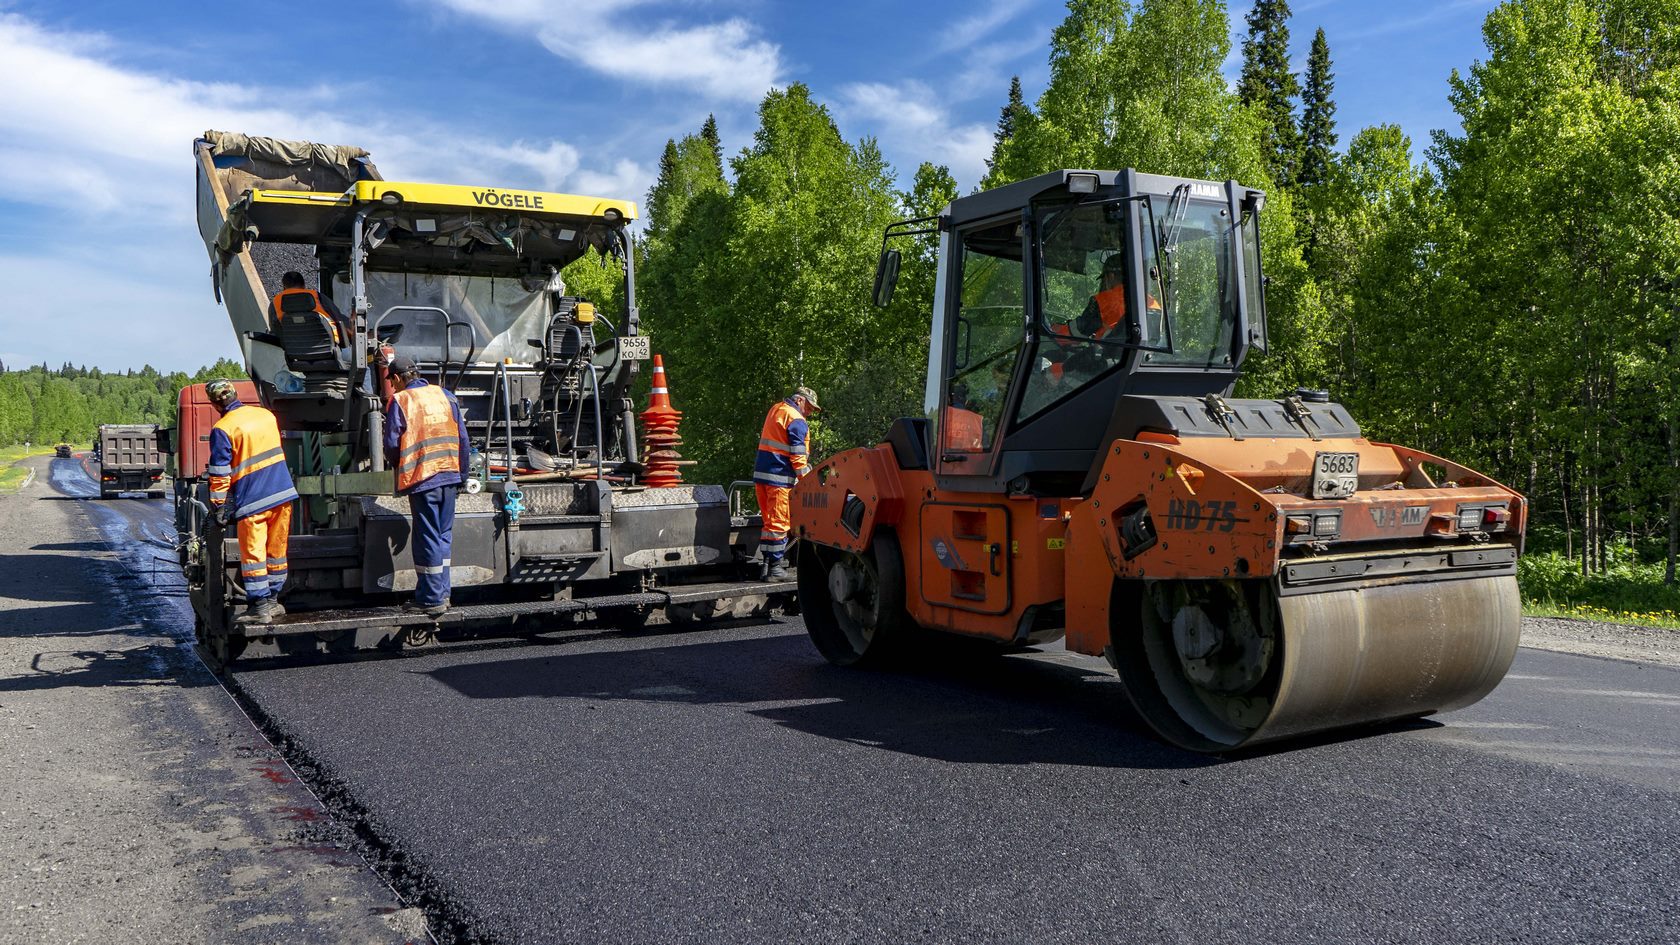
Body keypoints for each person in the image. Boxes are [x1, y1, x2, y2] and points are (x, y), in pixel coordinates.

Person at [383, 354, 470, 617]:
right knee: (443, 536)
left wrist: (398, 465)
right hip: (450, 474)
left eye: (392, 381)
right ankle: (442, 593)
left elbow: (391, 445)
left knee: (428, 537)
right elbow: (463, 439)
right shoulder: (446, 395)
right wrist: (462, 475)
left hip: (424, 478)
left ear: (397, 378)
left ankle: (431, 599)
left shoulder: (401, 400)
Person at [205, 379, 298, 626]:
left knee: (254, 555)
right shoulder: (266, 416)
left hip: (254, 501)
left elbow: (219, 472)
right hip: (282, 494)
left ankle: (259, 607)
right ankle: (274, 601)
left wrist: (219, 505)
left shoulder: (223, 428)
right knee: (276, 552)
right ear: (235, 395)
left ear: (215, 403)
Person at [753, 386, 820, 582]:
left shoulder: (776, 409)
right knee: (779, 524)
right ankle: (775, 569)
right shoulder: (796, 419)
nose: (809, 412)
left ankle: (766, 567)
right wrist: (809, 482)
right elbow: (798, 458)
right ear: (800, 400)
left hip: (763, 477)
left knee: (769, 524)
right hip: (779, 479)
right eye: (809, 407)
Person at [269, 270, 349, 348]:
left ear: (284, 287)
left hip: (293, 351)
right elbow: (338, 319)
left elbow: (275, 331)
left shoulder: (275, 303)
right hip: (326, 348)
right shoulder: (318, 297)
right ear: (304, 285)